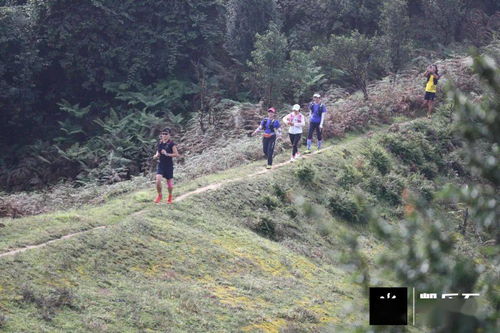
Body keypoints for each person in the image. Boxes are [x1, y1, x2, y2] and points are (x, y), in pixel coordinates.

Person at [153, 128, 179, 203]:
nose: (164, 135)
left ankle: (170, 196)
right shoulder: (160, 143)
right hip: (161, 164)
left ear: (169, 135)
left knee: (169, 184)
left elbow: (176, 154)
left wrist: (167, 154)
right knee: (158, 180)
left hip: (169, 166)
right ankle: (159, 195)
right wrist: (155, 156)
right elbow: (158, 152)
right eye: (163, 134)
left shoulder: (171, 144)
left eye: (166, 134)